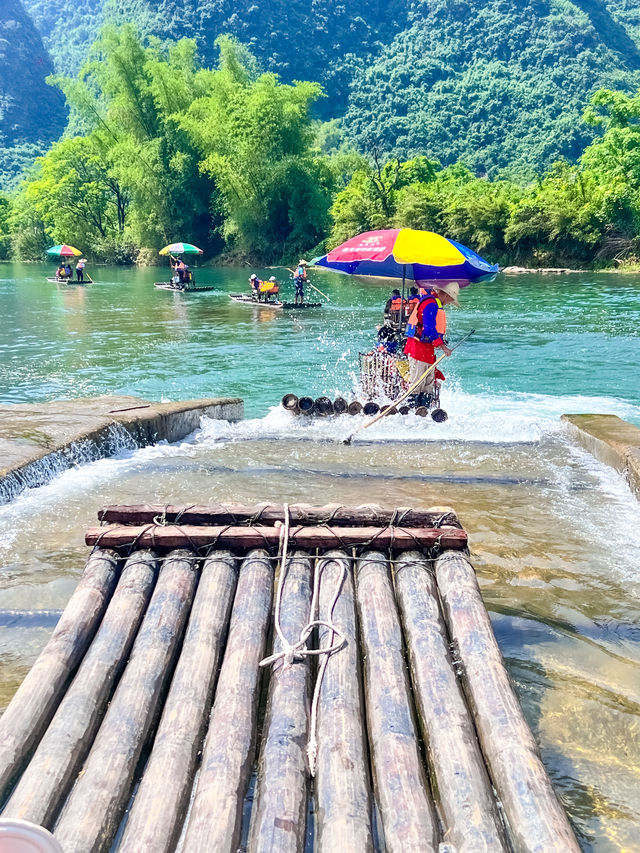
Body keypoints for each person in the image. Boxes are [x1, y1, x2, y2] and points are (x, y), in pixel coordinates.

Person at [404, 281, 457, 406]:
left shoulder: (432, 302)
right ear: (445, 295)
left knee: (428, 383)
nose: (449, 303)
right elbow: (429, 329)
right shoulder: (431, 304)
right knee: (418, 383)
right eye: (450, 299)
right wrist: (444, 347)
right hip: (418, 350)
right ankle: (412, 410)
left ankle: (424, 410)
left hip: (426, 350)